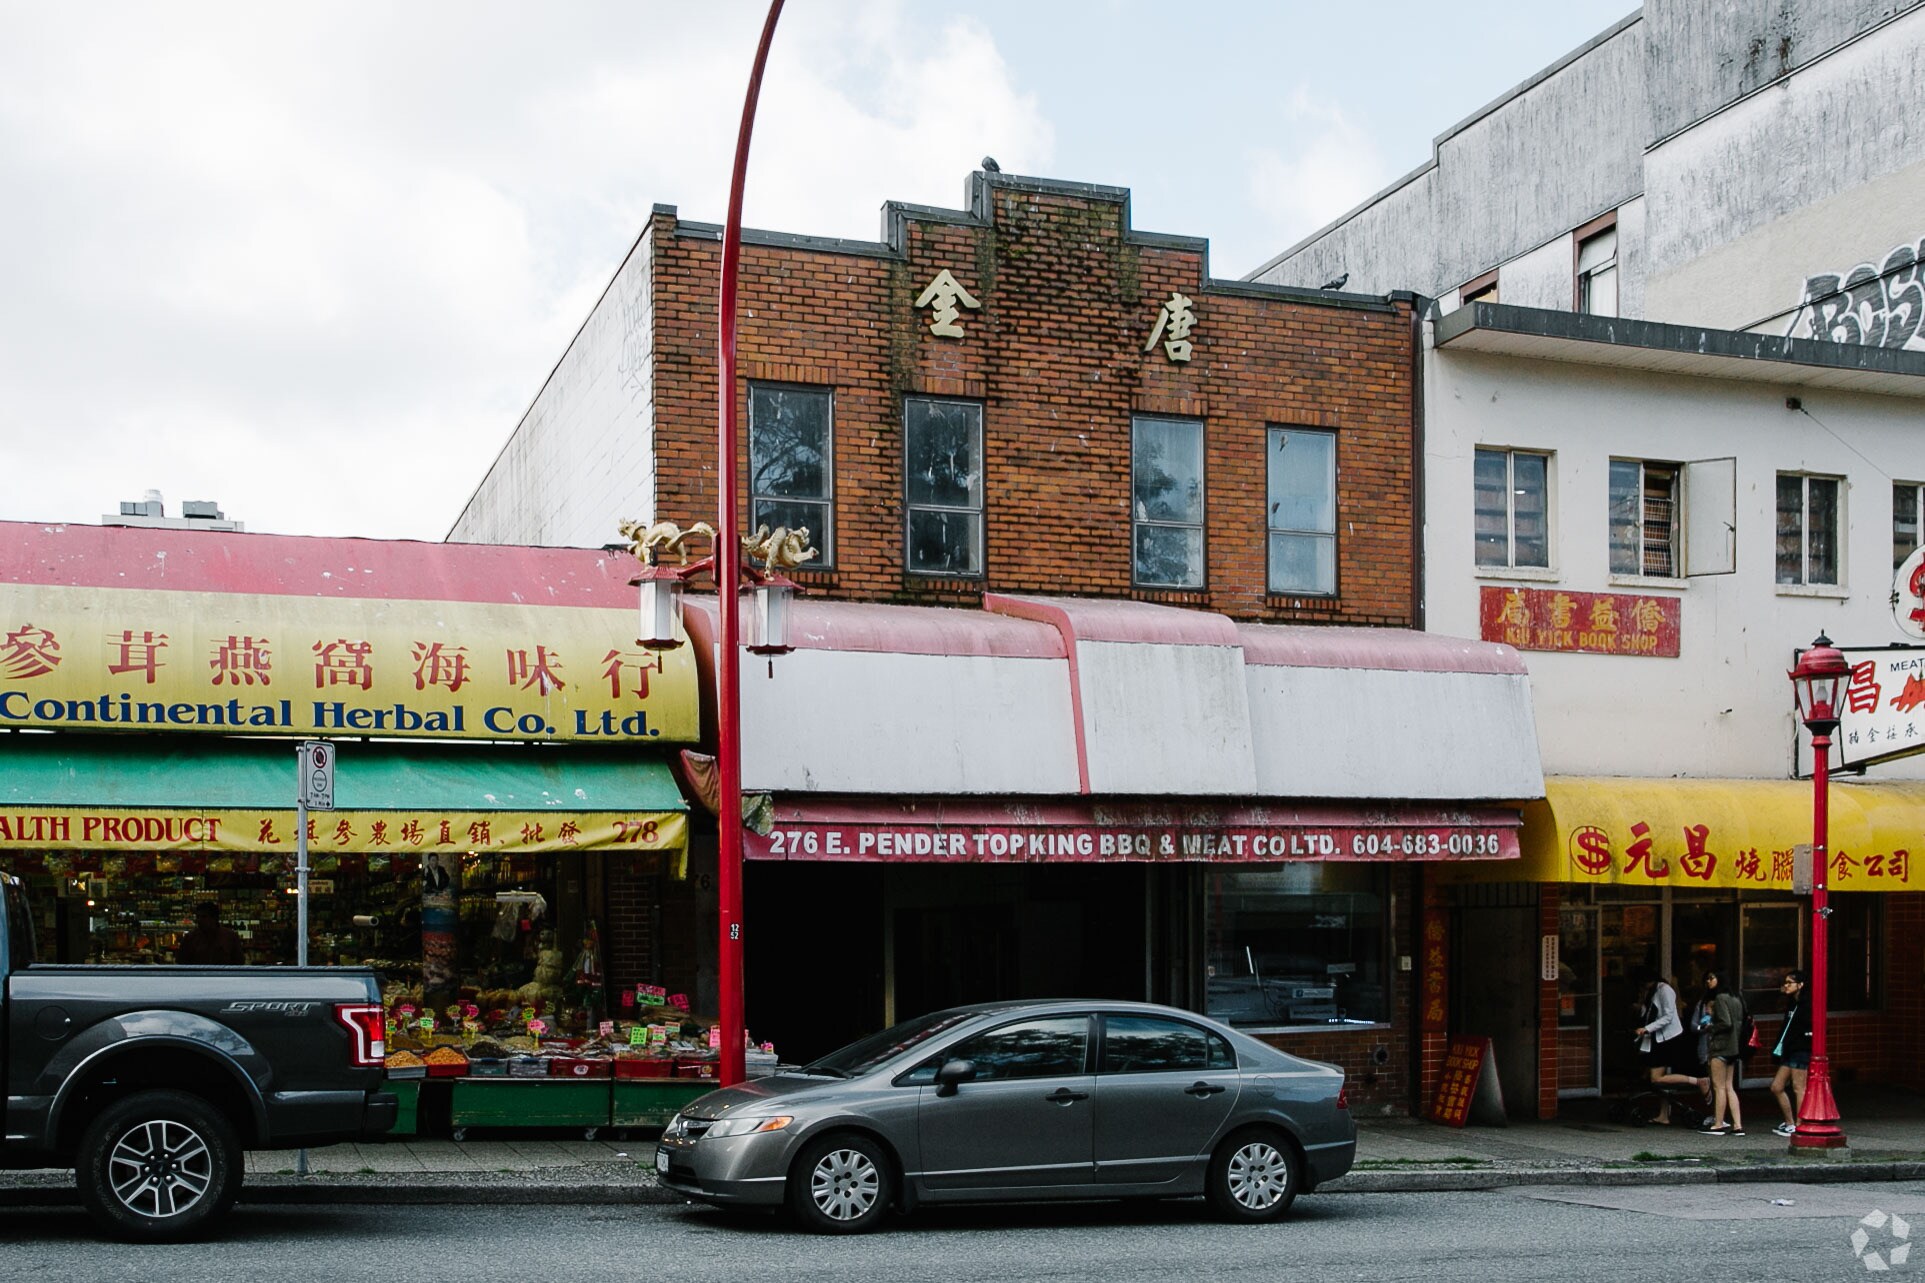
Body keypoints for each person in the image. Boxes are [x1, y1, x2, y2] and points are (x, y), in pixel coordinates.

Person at [1631, 970, 1696, 1123]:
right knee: (1658, 1077)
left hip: (1668, 1037)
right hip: (1657, 1037)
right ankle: (1664, 1114)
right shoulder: (1651, 992)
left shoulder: (1664, 990)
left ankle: (1695, 1081)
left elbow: (1667, 1016)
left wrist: (1648, 1028)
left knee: (1656, 1077)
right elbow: (1646, 1013)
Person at [1698, 969, 1746, 1136]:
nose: (1708, 981)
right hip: (1734, 1046)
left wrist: (1711, 1027)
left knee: (1718, 1087)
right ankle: (1737, 1124)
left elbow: (1725, 1022)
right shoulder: (1736, 998)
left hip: (1720, 1046)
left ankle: (1718, 1123)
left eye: (1712, 978)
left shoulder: (1720, 998)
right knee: (1728, 1086)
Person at [1769, 969, 1814, 1137]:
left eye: (1790, 983)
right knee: (1776, 1086)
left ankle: (1800, 1124)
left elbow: (1809, 1029)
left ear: (1800, 985)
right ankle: (1790, 1123)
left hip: (1801, 1049)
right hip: (1789, 1049)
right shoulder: (1791, 1003)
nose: (1786, 986)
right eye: (1785, 983)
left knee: (1798, 1087)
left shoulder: (1807, 1005)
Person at [176, 901, 244, 965]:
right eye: (198, 917)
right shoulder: (190, 938)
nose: (199, 920)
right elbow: (181, 962)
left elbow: (239, 962)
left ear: (214, 918)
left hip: (222, 976)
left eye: (204, 917)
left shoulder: (230, 937)